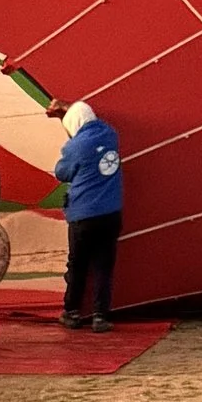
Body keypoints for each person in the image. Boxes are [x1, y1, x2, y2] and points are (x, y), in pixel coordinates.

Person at [54, 98, 122, 331]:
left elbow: (61, 173)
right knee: (104, 266)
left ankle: (71, 311)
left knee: (78, 264)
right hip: (111, 213)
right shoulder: (111, 134)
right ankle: (101, 316)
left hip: (83, 214)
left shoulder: (75, 146)